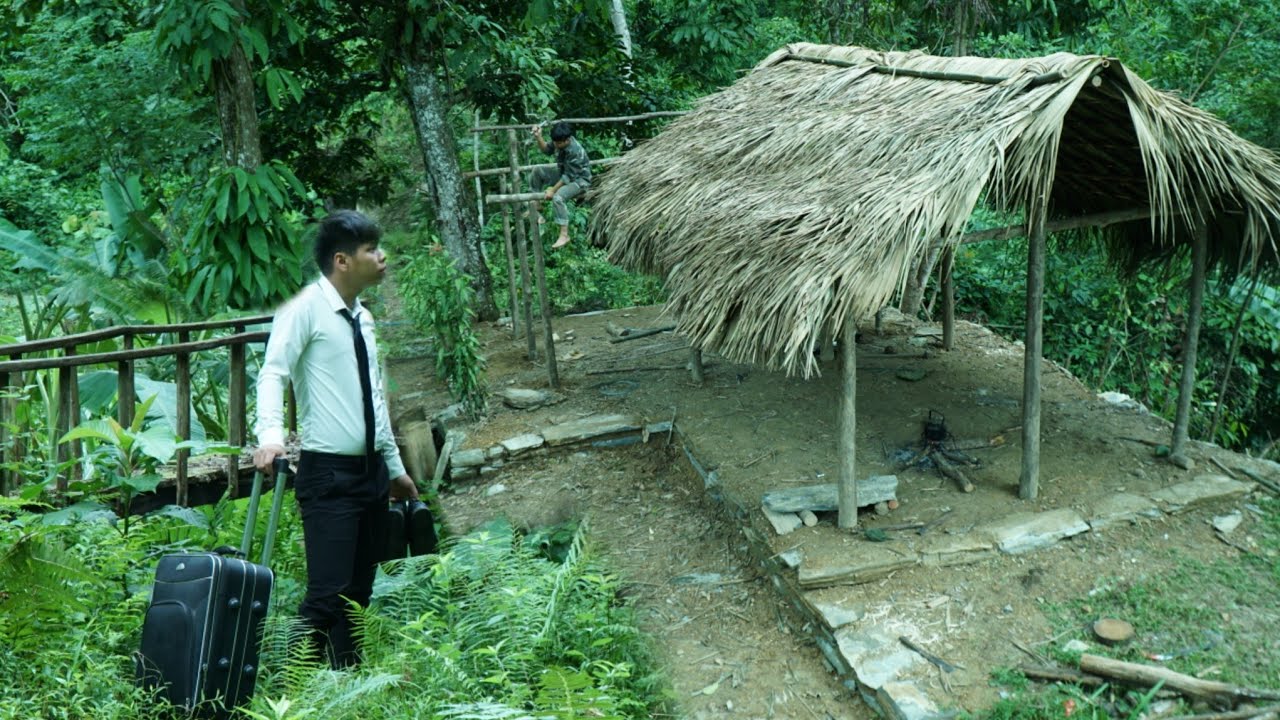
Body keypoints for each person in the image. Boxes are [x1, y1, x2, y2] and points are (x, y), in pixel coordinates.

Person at [252, 209, 418, 669]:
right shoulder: (304, 309)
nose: (382, 257)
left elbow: (374, 401)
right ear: (342, 260)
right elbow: (273, 373)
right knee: (327, 596)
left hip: (372, 474)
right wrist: (271, 438)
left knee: (358, 595)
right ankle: (291, 689)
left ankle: (347, 681)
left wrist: (395, 469)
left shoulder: (362, 317)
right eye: (371, 250)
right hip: (329, 475)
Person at [531, 120, 591, 248]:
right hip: (563, 173)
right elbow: (546, 150)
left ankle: (564, 234)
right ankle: (537, 203)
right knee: (537, 170)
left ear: (567, 140)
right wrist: (539, 137)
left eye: (559, 143)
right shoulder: (558, 141)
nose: (556, 145)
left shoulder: (575, 151)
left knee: (558, 197)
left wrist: (552, 190)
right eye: (555, 142)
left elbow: (568, 177)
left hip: (580, 180)